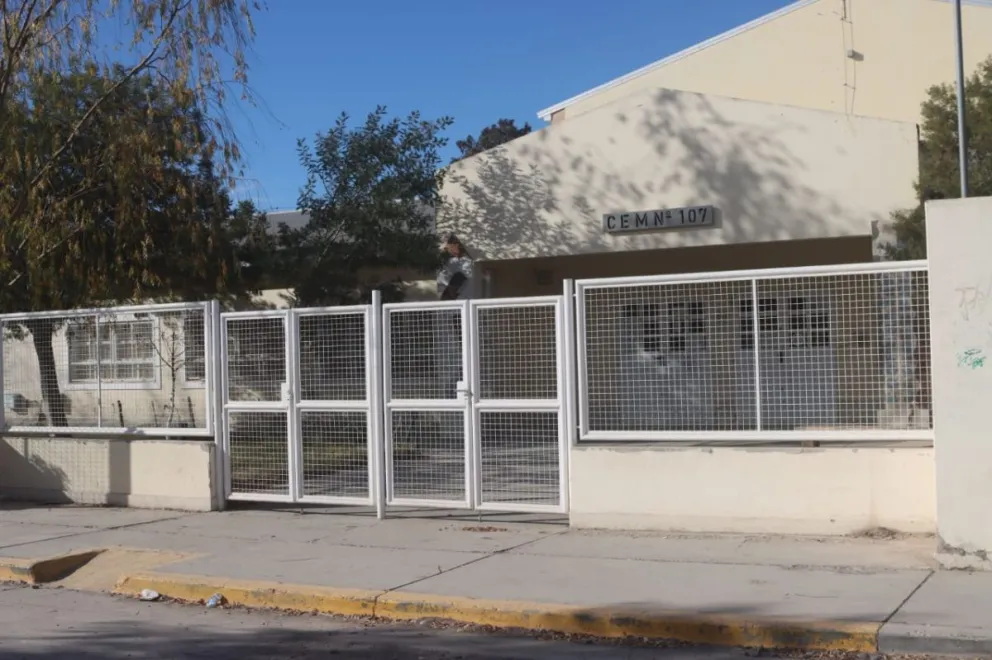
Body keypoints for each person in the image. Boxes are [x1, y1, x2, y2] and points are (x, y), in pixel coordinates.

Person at [437, 234, 473, 301]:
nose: (447, 250)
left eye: (447, 247)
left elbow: (454, 286)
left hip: (459, 300)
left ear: (455, 245)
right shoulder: (450, 261)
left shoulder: (465, 261)